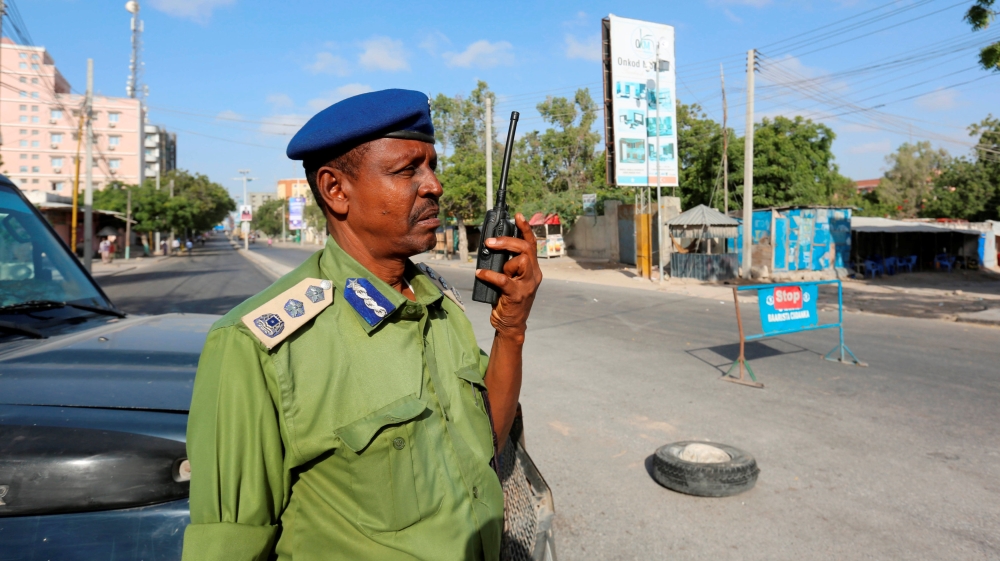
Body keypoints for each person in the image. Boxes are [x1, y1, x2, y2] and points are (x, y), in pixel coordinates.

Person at [182, 89, 542, 561]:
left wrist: (510, 331)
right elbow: (229, 546)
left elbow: (487, 443)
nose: (433, 185)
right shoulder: (257, 345)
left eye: (432, 166)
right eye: (407, 169)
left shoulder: (436, 302)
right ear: (336, 190)